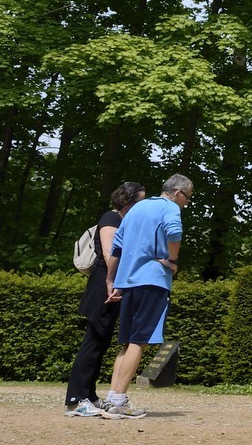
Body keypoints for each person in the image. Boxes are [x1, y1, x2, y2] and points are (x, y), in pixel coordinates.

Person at [101, 173, 193, 419]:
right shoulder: (170, 208)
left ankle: (112, 398)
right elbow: (174, 234)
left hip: (128, 281)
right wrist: (172, 260)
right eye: (187, 197)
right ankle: (119, 402)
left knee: (127, 342)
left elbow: (117, 246)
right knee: (138, 341)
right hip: (152, 280)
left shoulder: (136, 208)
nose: (186, 203)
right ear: (178, 193)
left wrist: (112, 280)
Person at [63, 182, 146, 418]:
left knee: (101, 343)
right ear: (128, 201)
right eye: (140, 201)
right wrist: (113, 282)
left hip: (113, 287)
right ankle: (75, 400)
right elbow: (110, 253)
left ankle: (88, 396)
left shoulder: (124, 221)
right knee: (93, 342)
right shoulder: (111, 218)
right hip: (104, 287)